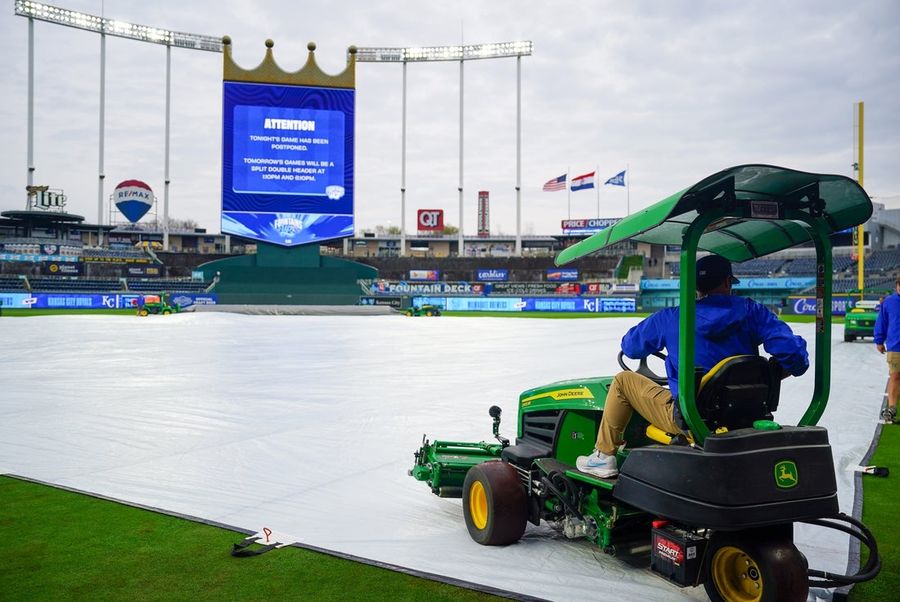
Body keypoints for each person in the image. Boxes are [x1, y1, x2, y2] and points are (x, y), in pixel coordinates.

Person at [576, 254, 810, 478]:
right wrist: (771, 374)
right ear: (728, 282)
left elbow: (629, 347)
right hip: (746, 413)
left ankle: (603, 455)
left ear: (695, 285)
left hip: (692, 417)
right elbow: (795, 357)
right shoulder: (753, 312)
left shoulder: (673, 317)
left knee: (623, 381)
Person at [873, 275, 900, 423]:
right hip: (895, 346)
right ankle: (892, 408)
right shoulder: (889, 302)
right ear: (897, 286)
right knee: (895, 376)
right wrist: (879, 340)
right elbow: (882, 322)